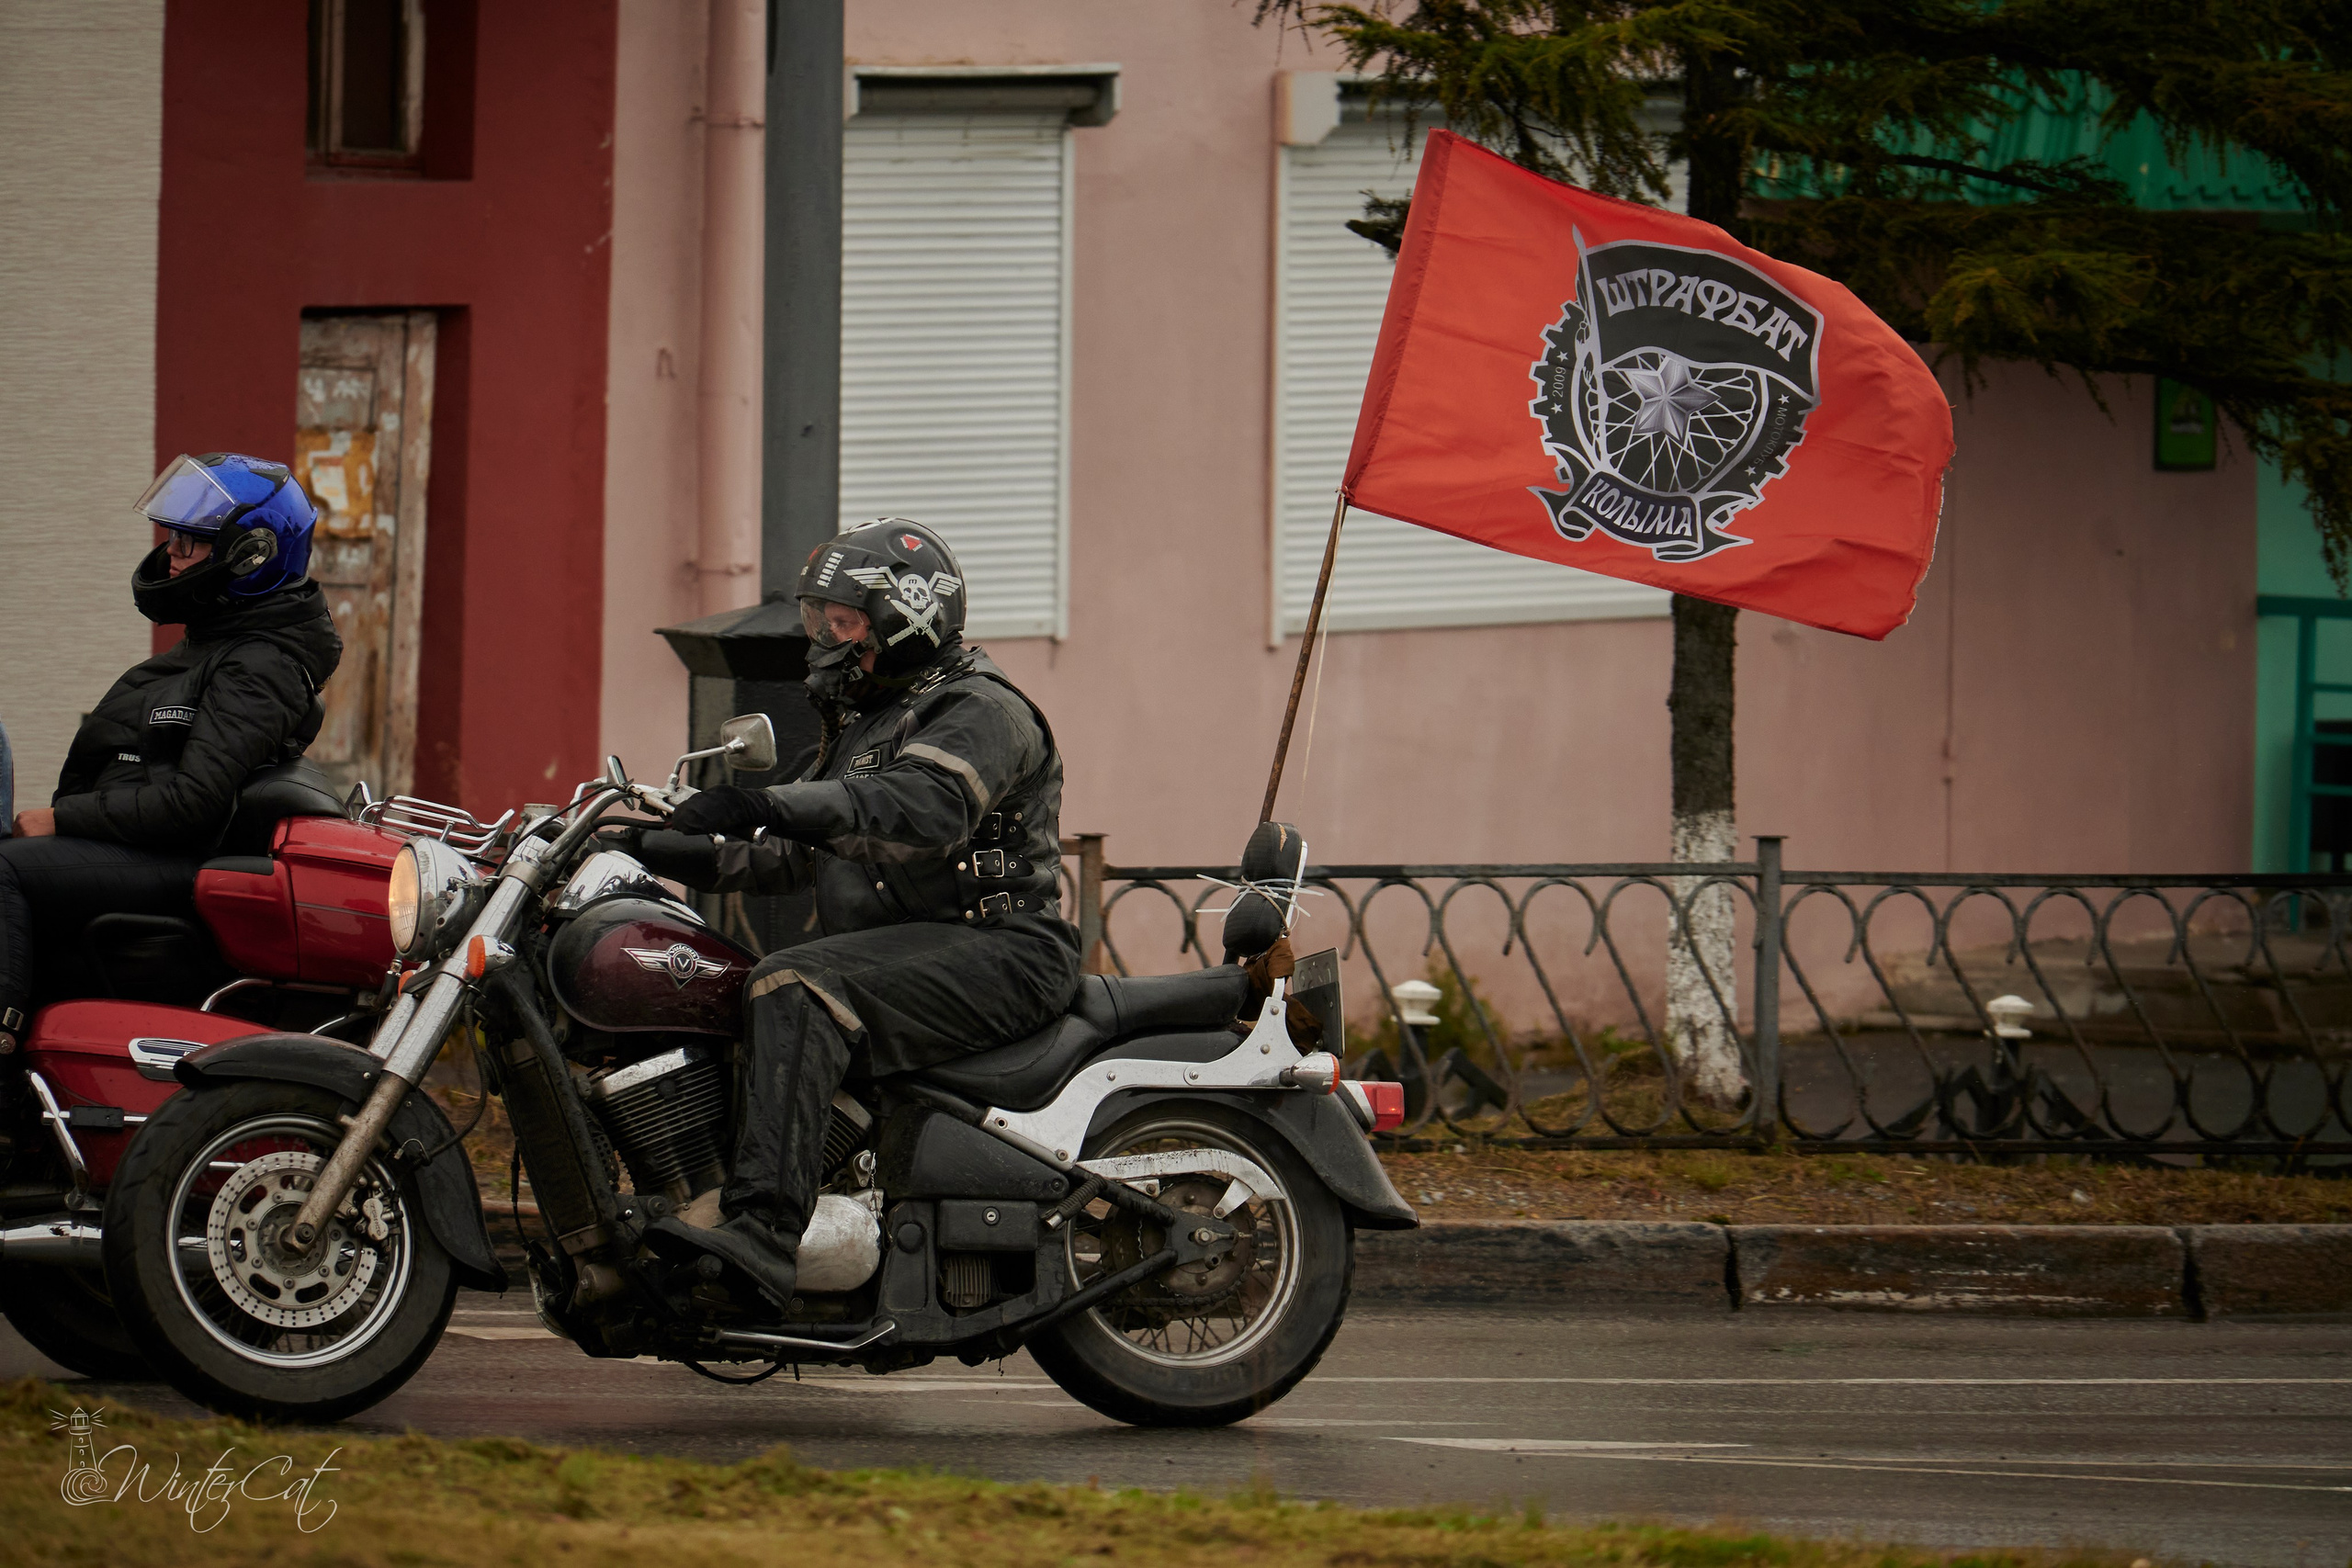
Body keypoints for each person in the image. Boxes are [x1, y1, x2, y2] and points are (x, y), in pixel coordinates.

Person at [630, 518, 1080, 1305]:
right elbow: (799, 848)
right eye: (821, 622)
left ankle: (762, 1236)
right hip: (920, 945)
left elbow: (922, 806)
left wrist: (758, 800)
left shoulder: (980, 708)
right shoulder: (874, 719)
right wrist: (664, 850)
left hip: (1003, 950)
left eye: (841, 623)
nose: (825, 640)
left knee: (795, 984)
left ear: (906, 618)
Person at [0, 454, 341, 1055]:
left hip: (182, 860)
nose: (174, 555)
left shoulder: (261, 662)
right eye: (175, 537)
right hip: (152, 849)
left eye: (191, 542)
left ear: (249, 555)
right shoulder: (223, 642)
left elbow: (193, 802)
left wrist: (61, 820)